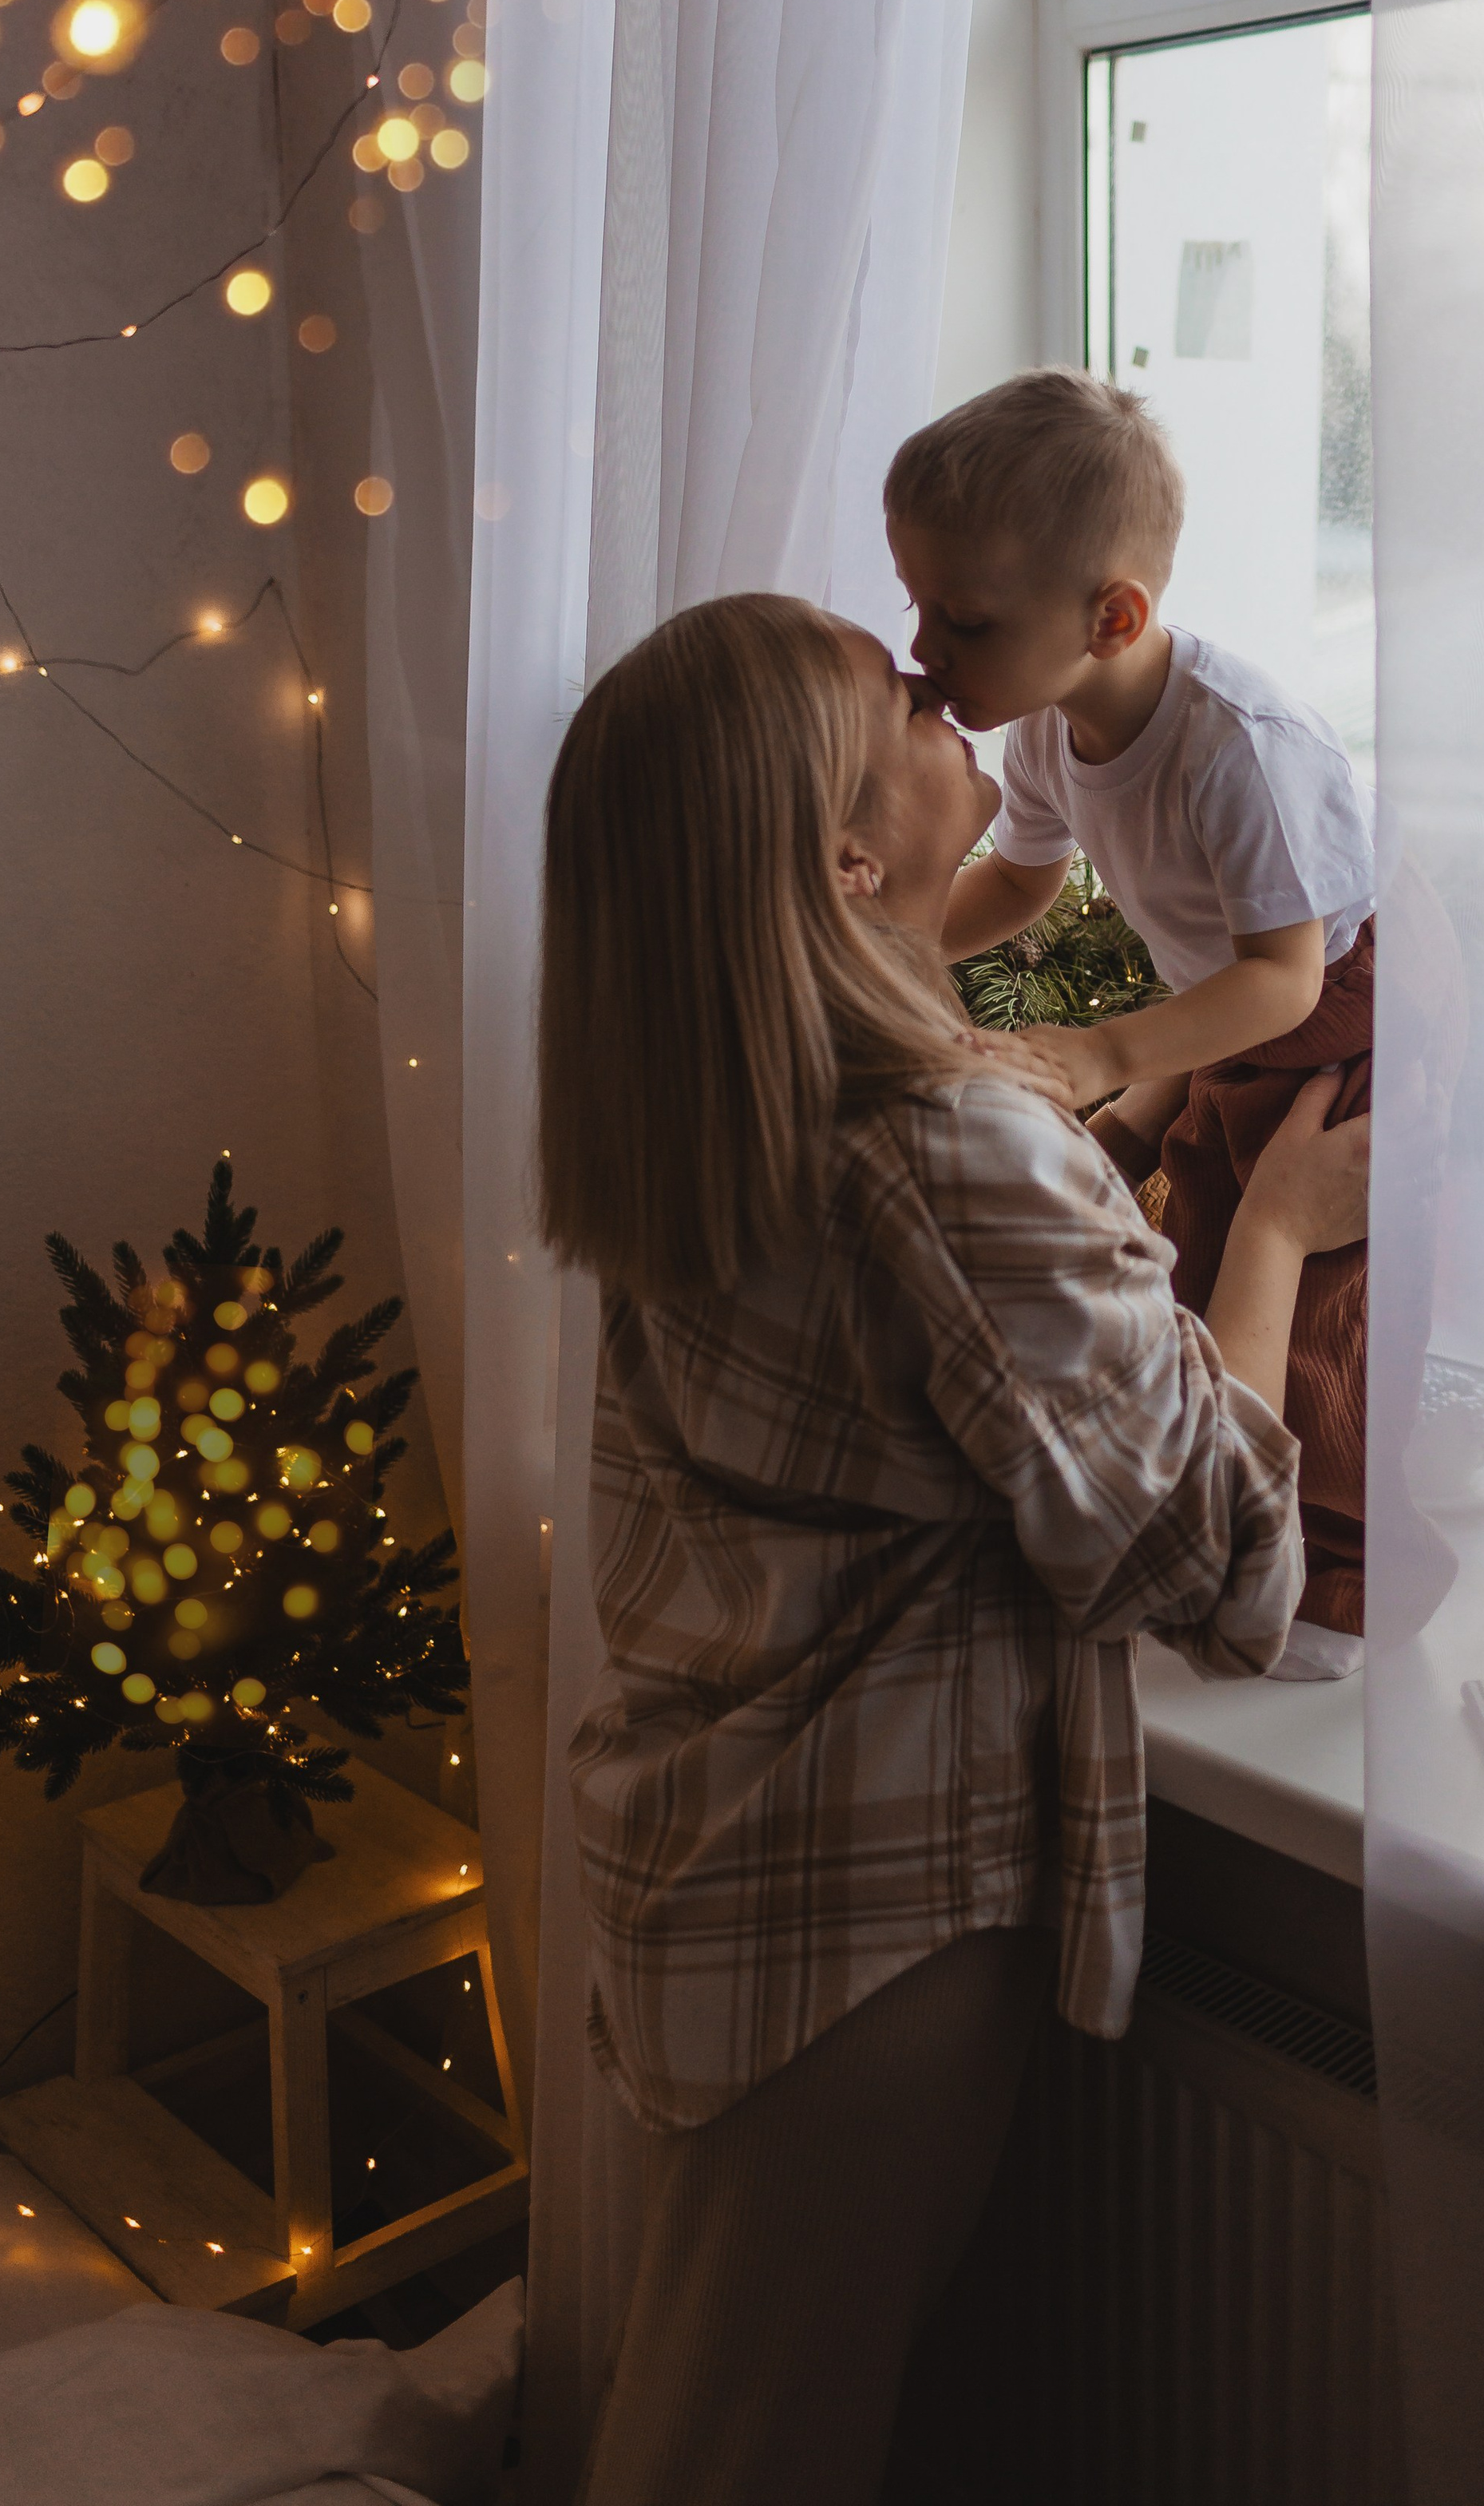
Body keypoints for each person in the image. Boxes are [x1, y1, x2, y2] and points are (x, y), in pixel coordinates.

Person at [537, 590, 1371, 2506]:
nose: (945, 701)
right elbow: (1226, 1569)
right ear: (849, 858)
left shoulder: (706, 1119)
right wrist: (1266, 1239)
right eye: (899, 703)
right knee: (752, 2449)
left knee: (725, 2400)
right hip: (862, 1927)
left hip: (707, 1852)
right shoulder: (942, 1152)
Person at [884, 368, 1378, 1649]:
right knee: (1199, 1236)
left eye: (965, 621)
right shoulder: (1048, 729)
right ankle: (1229, 1519)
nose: (925, 654)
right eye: (919, 609)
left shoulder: (1238, 748)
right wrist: (863, 943)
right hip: (1228, 1013)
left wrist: (1107, 1053)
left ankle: (1335, 1555)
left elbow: (1290, 974)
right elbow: (1025, 881)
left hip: (1343, 1019)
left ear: (1113, 615)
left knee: (1327, 1303)